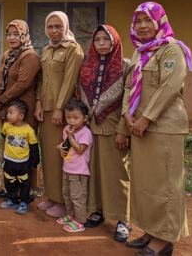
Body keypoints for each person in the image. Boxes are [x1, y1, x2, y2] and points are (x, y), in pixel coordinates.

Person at [123, 2, 192, 256]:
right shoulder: (140, 52)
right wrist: (127, 115)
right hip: (140, 127)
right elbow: (129, 87)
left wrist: (145, 119)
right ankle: (151, 231)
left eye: (147, 20)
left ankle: (164, 239)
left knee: (165, 185)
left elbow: (169, 88)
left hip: (164, 128)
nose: (142, 26)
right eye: (138, 21)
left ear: (159, 21)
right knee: (146, 185)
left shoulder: (172, 49)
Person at [76, 25, 131, 241]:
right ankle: (97, 210)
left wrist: (123, 130)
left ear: (114, 41)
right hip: (91, 128)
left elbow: (129, 101)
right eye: (97, 39)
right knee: (94, 171)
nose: (101, 43)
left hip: (114, 127)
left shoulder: (125, 66)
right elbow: (80, 95)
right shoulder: (86, 66)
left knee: (116, 173)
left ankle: (123, 219)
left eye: (106, 39)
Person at [34, 11, 84, 218]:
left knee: (62, 155)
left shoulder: (73, 49)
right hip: (45, 110)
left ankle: (63, 200)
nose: (54, 30)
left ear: (65, 27)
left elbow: (70, 80)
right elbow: (41, 80)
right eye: (50, 26)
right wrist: (38, 102)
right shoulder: (46, 50)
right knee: (49, 155)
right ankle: (52, 196)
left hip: (62, 112)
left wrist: (59, 108)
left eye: (58, 26)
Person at [0, 19, 41, 199]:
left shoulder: (30, 56)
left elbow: (23, 83)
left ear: (24, 35)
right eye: (9, 34)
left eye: (16, 34)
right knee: (9, 146)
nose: (11, 38)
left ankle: (28, 189)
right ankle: (11, 185)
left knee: (25, 148)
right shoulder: (7, 54)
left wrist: (2, 99)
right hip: (7, 109)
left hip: (23, 110)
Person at [56, 99, 93, 233]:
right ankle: (71, 216)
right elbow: (66, 145)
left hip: (79, 172)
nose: (71, 121)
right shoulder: (67, 130)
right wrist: (60, 147)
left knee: (78, 197)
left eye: (76, 118)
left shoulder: (85, 133)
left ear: (85, 118)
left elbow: (80, 149)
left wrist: (71, 136)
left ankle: (80, 221)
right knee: (67, 195)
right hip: (67, 169)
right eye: (68, 118)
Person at [0, 100, 39, 215]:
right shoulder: (6, 126)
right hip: (9, 161)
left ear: (21, 116)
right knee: (9, 181)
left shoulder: (29, 131)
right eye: (8, 112)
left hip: (23, 163)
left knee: (24, 183)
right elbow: (4, 136)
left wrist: (34, 162)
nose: (8, 115)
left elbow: (34, 147)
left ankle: (24, 202)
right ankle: (12, 200)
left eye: (11, 113)